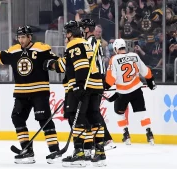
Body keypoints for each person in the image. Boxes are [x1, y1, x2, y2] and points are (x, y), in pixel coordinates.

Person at [0, 26, 61, 164]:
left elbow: (57, 63)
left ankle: (54, 151)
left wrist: (52, 64)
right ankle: (27, 151)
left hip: (39, 91)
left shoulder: (42, 48)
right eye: (19, 37)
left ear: (30, 37)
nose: (21, 40)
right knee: (17, 118)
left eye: (23, 37)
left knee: (44, 119)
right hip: (21, 92)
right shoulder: (14, 50)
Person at [45, 20, 106, 167]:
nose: (65, 36)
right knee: (93, 116)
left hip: (82, 85)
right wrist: (50, 64)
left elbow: (81, 66)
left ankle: (79, 153)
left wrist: (79, 86)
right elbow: (64, 65)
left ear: (70, 33)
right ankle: (99, 152)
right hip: (94, 85)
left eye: (66, 33)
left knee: (76, 117)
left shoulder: (73, 44)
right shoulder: (84, 43)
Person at [105, 38, 156, 145]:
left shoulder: (114, 59)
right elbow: (146, 71)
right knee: (142, 113)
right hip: (136, 90)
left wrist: (103, 87)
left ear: (115, 49)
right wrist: (150, 81)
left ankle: (126, 134)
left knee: (119, 113)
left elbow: (110, 79)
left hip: (122, 94)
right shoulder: (134, 56)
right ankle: (149, 134)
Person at [81, 18, 116, 153]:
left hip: (94, 80)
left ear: (87, 29)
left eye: (83, 28)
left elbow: (90, 63)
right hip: (98, 79)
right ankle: (102, 139)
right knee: (93, 111)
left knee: (93, 112)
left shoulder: (90, 42)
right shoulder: (95, 42)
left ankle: (104, 139)